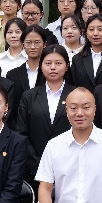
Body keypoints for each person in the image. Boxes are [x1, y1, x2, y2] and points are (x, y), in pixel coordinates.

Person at [15, 46, 75, 179]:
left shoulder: (76, 95)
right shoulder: (29, 96)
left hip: (71, 167)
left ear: (67, 66)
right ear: (41, 66)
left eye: (58, 63)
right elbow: (21, 133)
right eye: (48, 63)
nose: (53, 67)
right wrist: (38, 165)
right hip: (34, 168)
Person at [5, 27, 50, 110]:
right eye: (28, 43)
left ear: (44, 44)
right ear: (23, 45)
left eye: (37, 42)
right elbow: (11, 105)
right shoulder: (12, 75)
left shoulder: (50, 73)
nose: (32, 47)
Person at [71, 15, 102, 89]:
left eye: (100, 29)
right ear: (86, 34)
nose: (95, 33)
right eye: (91, 29)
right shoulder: (77, 59)